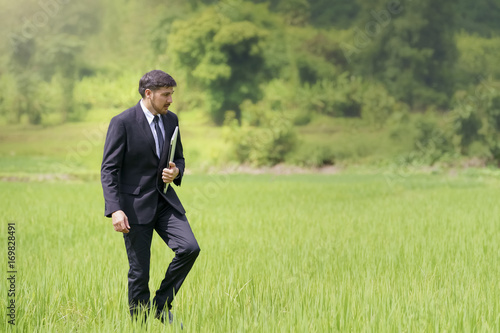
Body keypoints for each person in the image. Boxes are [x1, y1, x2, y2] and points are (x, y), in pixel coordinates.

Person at [101, 70, 200, 323]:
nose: (170, 100)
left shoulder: (171, 120)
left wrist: (176, 170)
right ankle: (139, 325)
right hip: (133, 207)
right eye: (166, 95)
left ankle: (160, 305)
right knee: (139, 272)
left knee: (189, 248)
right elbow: (109, 169)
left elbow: (178, 158)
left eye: (172, 94)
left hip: (164, 201)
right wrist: (115, 209)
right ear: (149, 93)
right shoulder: (122, 122)